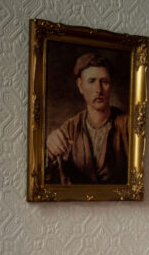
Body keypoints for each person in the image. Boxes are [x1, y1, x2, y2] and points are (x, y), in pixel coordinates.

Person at [46, 52, 129, 185]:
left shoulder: (127, 125)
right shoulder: (69, 127)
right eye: (91, 81)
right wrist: (50, 148)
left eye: (104, 82)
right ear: (80, 85)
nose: (99, 89)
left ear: (111, 85)